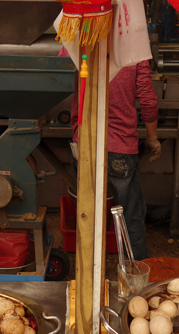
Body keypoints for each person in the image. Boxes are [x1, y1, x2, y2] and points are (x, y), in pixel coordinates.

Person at [65, 49, 161, 261]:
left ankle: (86, 276)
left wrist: (77, 130)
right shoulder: (135, 48)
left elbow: (67, 82)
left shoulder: (82, 45)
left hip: (85, 144)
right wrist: (152, 137)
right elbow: (147, 99)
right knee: (130, 215)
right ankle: (137, 278)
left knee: (86, 214)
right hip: (121, 147)